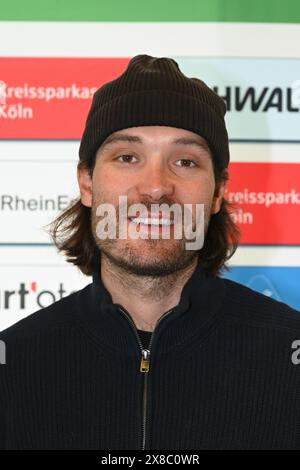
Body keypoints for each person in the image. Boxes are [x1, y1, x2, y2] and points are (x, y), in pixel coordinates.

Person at [0, 55, 300, 450]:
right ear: (87, 182)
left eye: (185, 161)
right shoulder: (13, 365)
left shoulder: (289, 355)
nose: (156, 188)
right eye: (127, 158)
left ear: (217, 193)